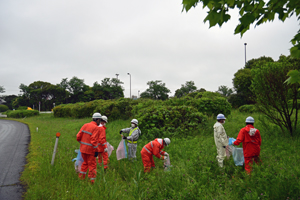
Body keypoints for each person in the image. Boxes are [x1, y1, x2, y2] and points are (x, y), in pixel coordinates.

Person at [76, 112, 101, 184]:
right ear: (97, 120)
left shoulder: (85, 125)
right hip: (91, 151)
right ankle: (92, 181)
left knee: (85, 163)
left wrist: (83, 144)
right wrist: (96, 150)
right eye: (100, 120)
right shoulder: (96, 128)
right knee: (92, 165)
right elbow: (94, 140)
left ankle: (81, 178)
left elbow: (78, 137)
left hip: (83, 150)